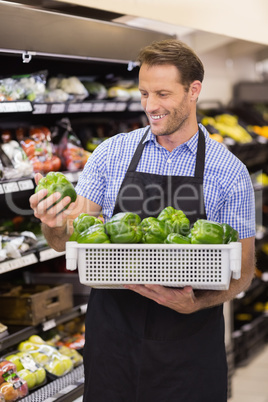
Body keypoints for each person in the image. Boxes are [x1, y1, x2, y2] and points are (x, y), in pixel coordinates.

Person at [30, 39, 255, 402]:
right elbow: (68, 239)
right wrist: (52, 223)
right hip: (113, 344)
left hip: (189, 348)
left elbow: (243, 272)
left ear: (193, 90)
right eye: (144, 93)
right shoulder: (110, 154)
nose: (151, 106)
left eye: (163, 94)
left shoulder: (228, 172)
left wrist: (195, 303)